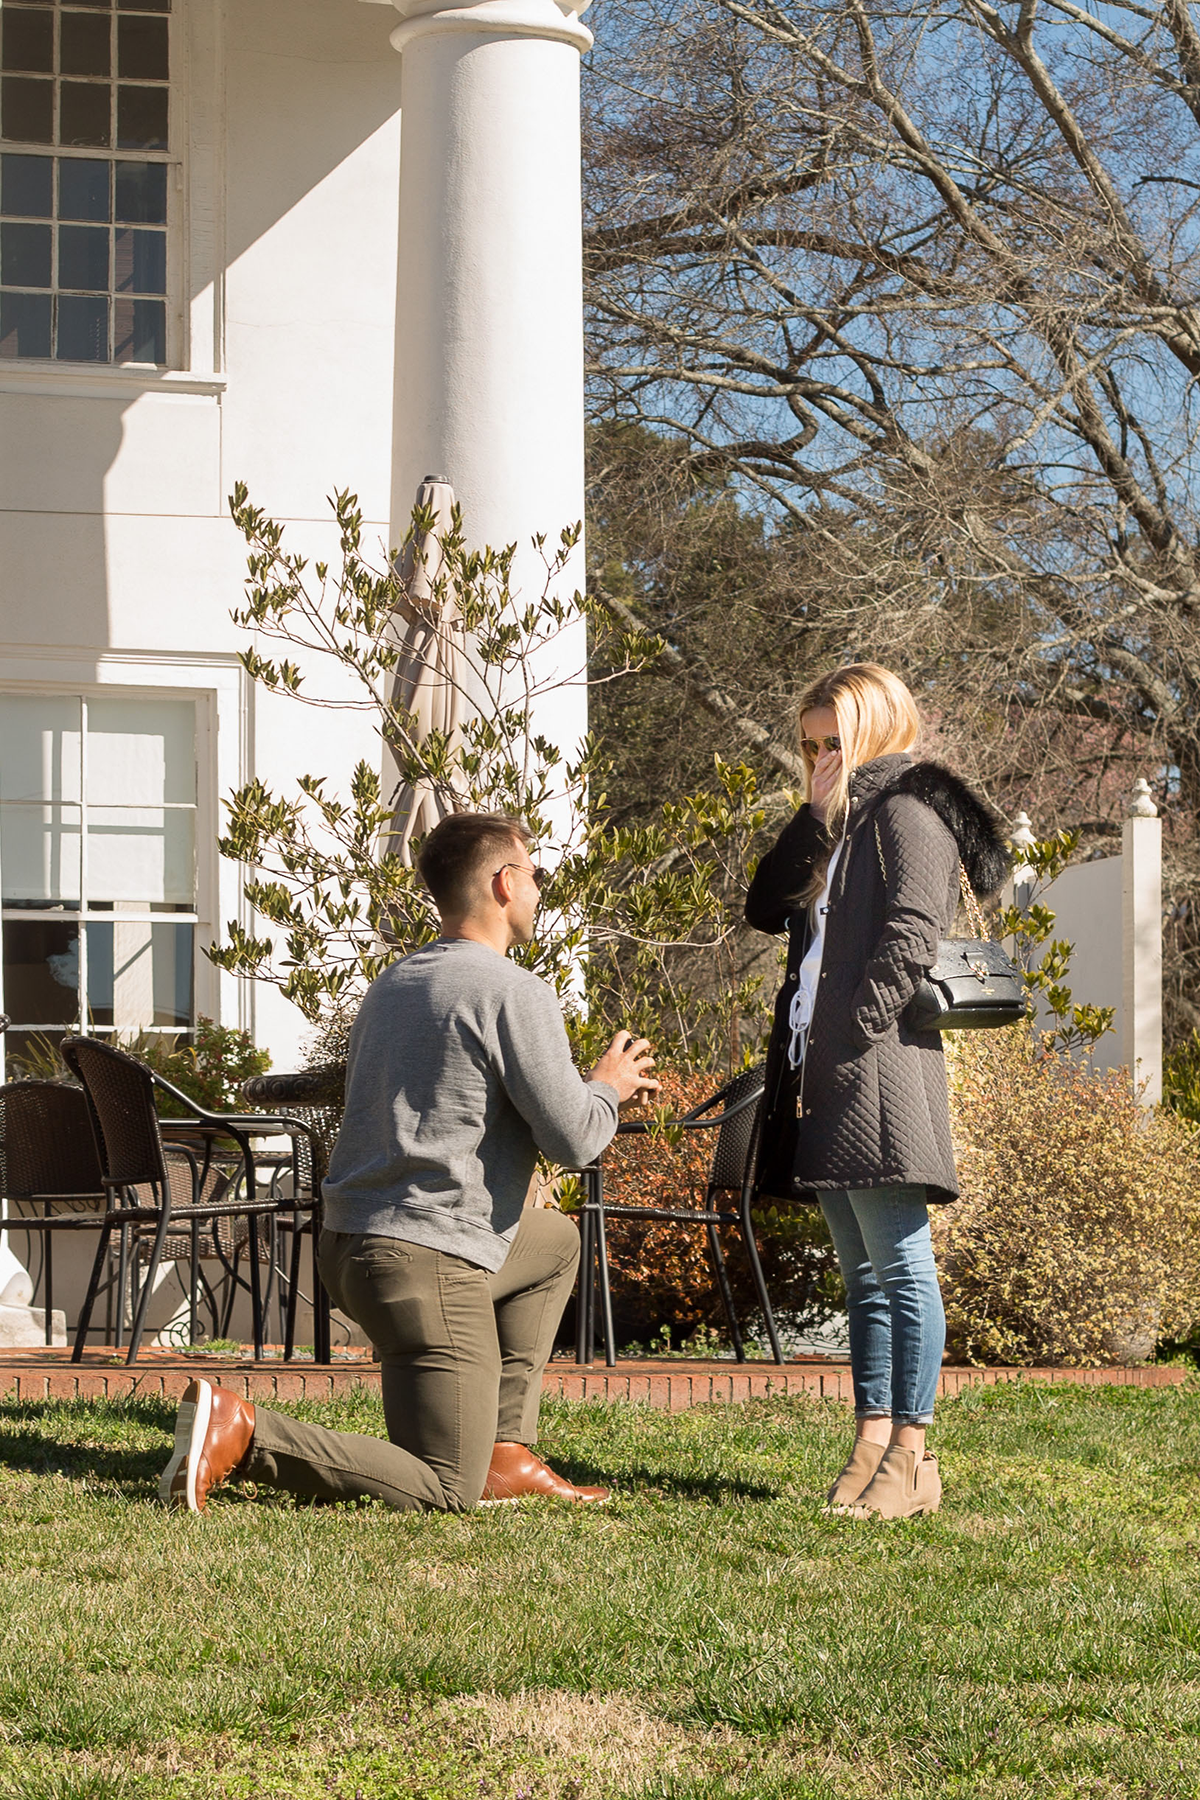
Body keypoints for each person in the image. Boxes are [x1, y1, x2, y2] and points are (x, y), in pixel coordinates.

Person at [159, 811, 658, 1515]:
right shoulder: (514, 991)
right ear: (504, 882)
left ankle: (504, 1452)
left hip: (354, 1251)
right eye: (537, 875)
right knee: (441, 1486)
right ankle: (244, 1432)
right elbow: (576, 1140)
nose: (541, 890)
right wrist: (607, 1086)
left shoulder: (394, 984)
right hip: (428, 1262)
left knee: (552, 1243)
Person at [745, 664, 1008, 1519]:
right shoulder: (842, 824)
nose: (822, 756)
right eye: (811, 744)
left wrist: (850, 1037)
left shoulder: (906, 814)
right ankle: (872, 1440)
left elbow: (908, 941)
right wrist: (814, 813)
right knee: (860, 1274)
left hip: (880, 1067)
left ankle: (912, 1450)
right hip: (826, 1072)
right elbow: (762, 907)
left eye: (837, 742)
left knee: (899, 1265)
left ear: (879, 731)